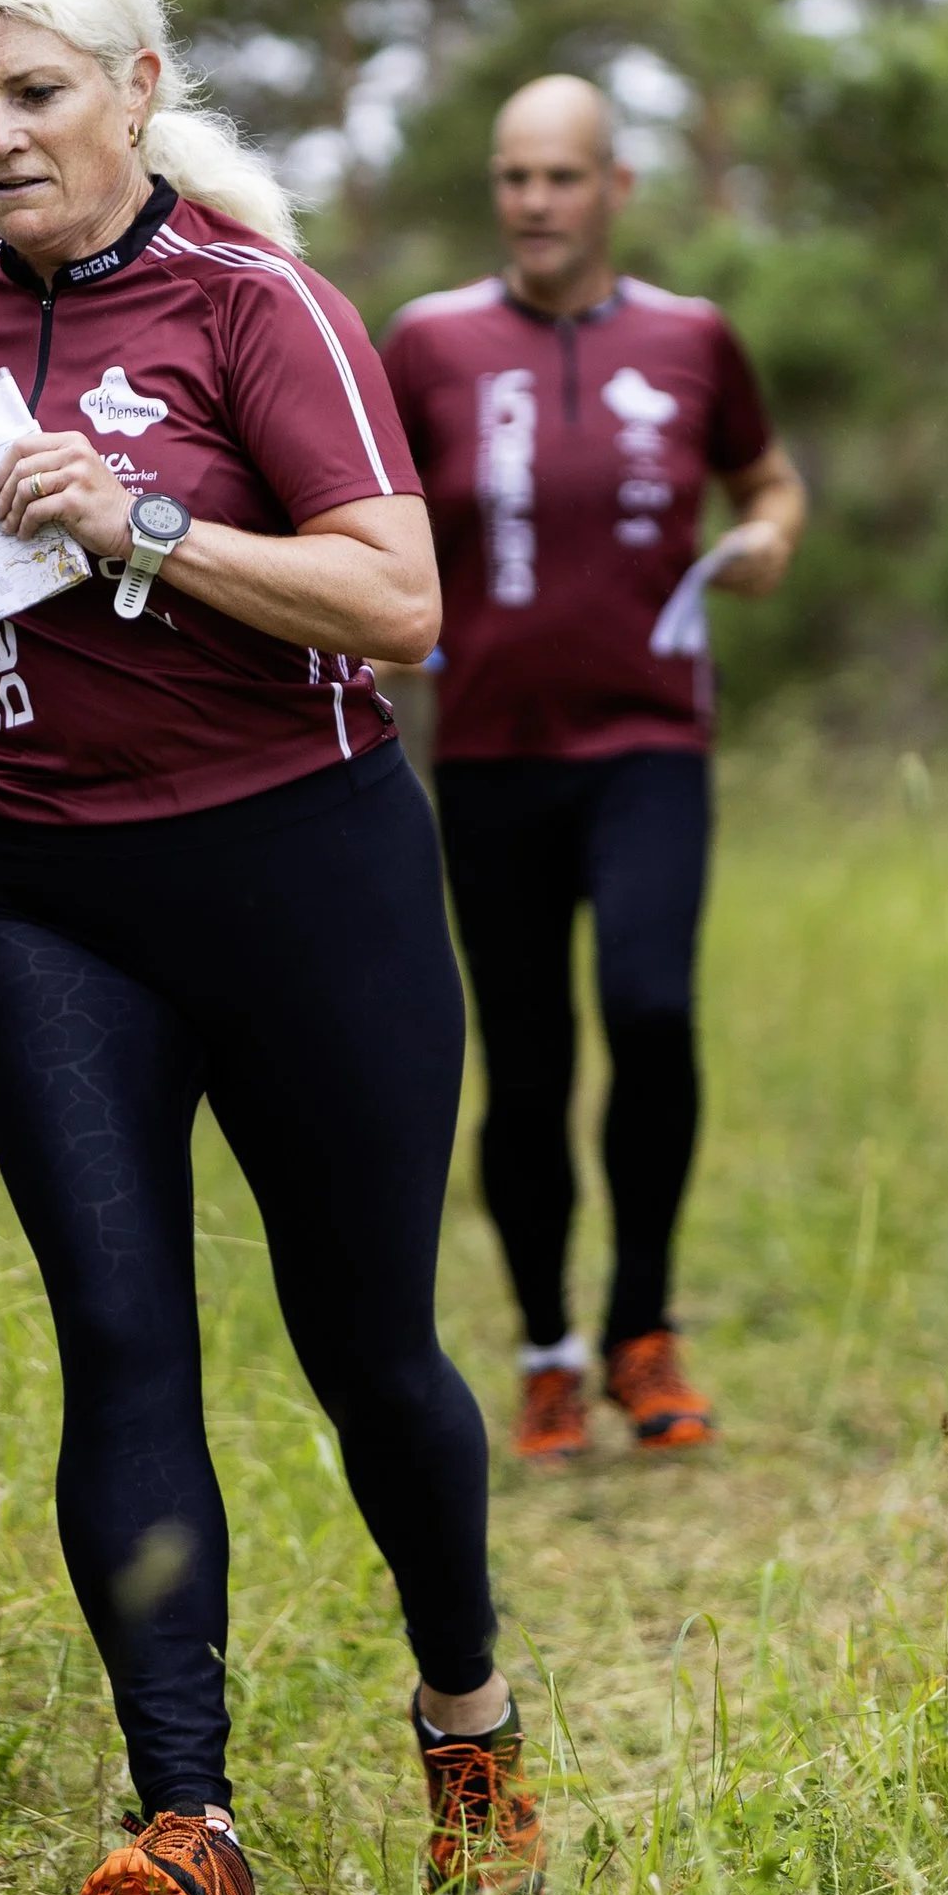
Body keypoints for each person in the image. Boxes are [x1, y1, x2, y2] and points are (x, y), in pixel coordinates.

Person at [0, 0, 540, 1895]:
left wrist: (141, 523)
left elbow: (397, 597)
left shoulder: (262, 309)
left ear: (135, 88)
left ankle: (468, 1724)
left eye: (35, 90)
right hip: (33, 881)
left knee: (363, 1348)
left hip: (300, 875)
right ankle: (185, 1820)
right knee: (122, 1334)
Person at [382, 75, 806, 1465]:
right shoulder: (430, 344)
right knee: (525, 1060)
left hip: (649, 745)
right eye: (514, 177)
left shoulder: (693, 338)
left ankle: (642, 1327)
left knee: (650, 1007)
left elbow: (771, 478)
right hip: (492, 752)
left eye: (562, 177)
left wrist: (767, 539)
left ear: (616, 187)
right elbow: (357, 508)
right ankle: (549, 1348)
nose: (536, 202)